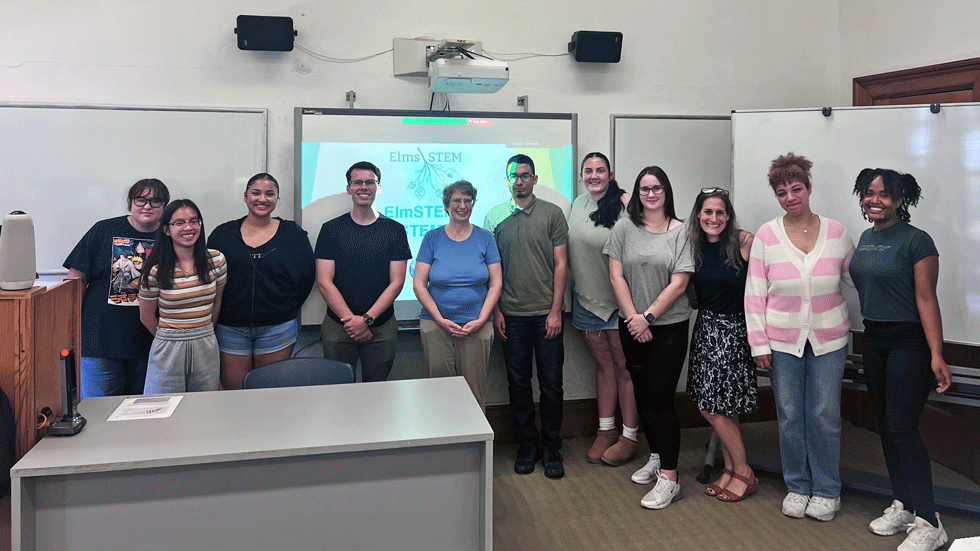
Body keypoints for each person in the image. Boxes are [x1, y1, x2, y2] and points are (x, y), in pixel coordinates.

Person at [744, 153, 854, 521]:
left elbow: (858, 279)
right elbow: (755, 294)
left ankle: (826, 489)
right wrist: (759, 344)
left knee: (824, 414)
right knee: (790, 414)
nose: (790, 197)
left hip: (830, 338)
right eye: (781, 192)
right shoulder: (766, 235)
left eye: (796, 189)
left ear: (808, 188)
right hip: (780, 340)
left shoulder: (837, 233)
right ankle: (797, 484)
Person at [849, 168, 951, 551]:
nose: (875, 200)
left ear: (901, 199)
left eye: (884, 195)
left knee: (903, 429)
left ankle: (929, 520)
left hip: (909, 342)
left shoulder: (917, 241)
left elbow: (926, 298)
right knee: (886, 428)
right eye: (869, 193)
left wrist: (937, 354)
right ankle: (904, 506)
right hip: (874, 339)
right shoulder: (865, 237)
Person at [605, 166, 693, 510]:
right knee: (642, 396)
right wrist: (633, 319)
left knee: (661, 398)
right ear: (637, 193)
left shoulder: (682, 231)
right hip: (632, 326)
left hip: (668, 326)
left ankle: (670, 479)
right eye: (644, 188)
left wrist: (649, 317)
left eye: (657, 188)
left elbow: (680, 281)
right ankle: (656, 456)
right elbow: (616, 274)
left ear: (666, 191)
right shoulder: (624, 227)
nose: (651, 194)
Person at [492, 154, 569, 479]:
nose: (519, 180)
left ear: (535, 179)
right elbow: (490, 271)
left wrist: (555, 311)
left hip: (546, 317)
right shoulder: (495, 217)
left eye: (525, 175)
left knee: (551, 386)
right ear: (507, 179)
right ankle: (528, 444)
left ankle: (551, 447)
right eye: (514, 176)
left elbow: (561, 264)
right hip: (512, 317)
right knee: (518, 383)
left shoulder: (552, 214)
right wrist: (496, 311)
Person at [207, 173, 316, 390]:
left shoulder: (293, 234)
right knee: (235, 395)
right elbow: (209, 279)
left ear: (277, 199)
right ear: (245, 196)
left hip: (277, 328)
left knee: (269, 395)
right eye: (256, 193)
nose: (262, 199)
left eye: (270, 194)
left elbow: (306, 278)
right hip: (230, 329)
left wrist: (285, 308)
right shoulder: (223, 234)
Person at [64, 178, 170, 399]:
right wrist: (70, 328)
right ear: (130, 202)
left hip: (151, 346)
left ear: (165, 206)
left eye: (155, 201)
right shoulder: (104, 229)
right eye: (141, 200)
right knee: (98, 416)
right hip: (100, 342)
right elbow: (75, 279)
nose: (147, 206)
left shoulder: (172, 236)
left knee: (143, 418)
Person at [686, 188, 758, 502]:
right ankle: (729, 470)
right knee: (722, 406)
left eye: (720, 212)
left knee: (712, 406)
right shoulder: (693, 246)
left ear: (727, 216)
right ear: (698, 215)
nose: (713, 218)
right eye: (707, 212)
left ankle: (744, 471)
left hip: (733, 331)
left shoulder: (744, 243)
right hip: (705, 330)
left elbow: (764, 288)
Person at [566, 152, 638, 466]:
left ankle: (629, 435)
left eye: (600, 170)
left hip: (620, 303)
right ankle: (605, 431)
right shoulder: (577, 204)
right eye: (588, 170)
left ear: (610, 173)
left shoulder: (627, 205)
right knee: (603, 366)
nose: (594, 175)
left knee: (624, 368)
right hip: (586, 300)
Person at [314, 161, 411, 382]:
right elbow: (324, 282)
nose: (363, 187)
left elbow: (396, 283)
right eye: (357, 182)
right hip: (339, 326)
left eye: (370, 182)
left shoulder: (395, 230)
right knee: (337, 391)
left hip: (382, 326)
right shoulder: (331, 230)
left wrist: (366, 319)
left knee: (377, 391)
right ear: (348, 188)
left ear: (379, 187)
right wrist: (353, 322)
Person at [413, 180, 502, 411]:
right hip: (436, 326)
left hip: (477, 326)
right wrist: (441, 320)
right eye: (456, 200)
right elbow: (419, 285)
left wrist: (482, 320)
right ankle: (446, 445)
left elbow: (496, 284)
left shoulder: (485, 238)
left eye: (467, 200)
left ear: (473, 204)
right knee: (440, 393)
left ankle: (476, 446)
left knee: (474, 394)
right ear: (446, 204)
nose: (462, 205)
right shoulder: (432, 238)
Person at [139, 199, 227, 394]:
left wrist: (201, 332)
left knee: (205, 408)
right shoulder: (155, 269)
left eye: (194, 221)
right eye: (179, 223)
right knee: (162, 408)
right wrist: (173, 338)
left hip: (205, 343)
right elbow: (146, 317)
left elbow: (217, 301)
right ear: (166, 230)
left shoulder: (216, 260)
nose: (188, 227)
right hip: (168, 347)